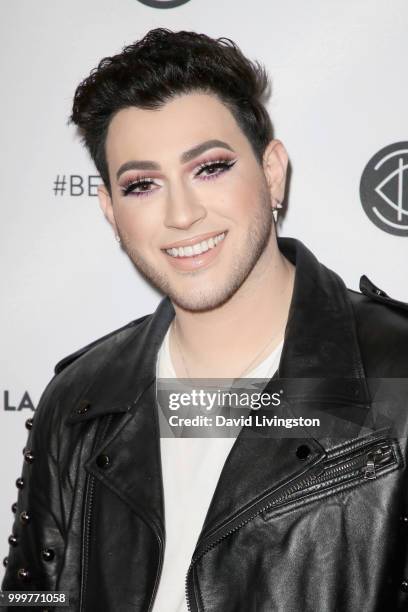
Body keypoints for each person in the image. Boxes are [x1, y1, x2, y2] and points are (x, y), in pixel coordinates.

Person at [2, 27, 408, 612]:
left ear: (271, 172)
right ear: (110, 210)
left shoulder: (398, 375)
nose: (183, 214)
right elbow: (31, 601)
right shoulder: (79, 401)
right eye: (142, 184)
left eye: (210, 168)